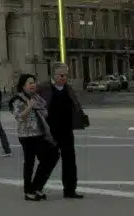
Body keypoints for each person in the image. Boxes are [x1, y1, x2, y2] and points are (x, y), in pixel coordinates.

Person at [11, 73, 58, 201]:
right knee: (30, 163)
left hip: (40, 133)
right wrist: (29, 106)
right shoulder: (18, 99)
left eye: (33, 82)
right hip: (27, 136)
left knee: (53, 155)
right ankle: (28, 191)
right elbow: (19, 117)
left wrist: (43, 111)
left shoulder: (36, 97)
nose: (32, 85)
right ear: (23, 86)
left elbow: (44, 111)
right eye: (29, 83)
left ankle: (37, 186)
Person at [44, 64, 86, 198]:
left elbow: (76, 104)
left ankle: (70, 190)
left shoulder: (69, 89)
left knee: (69, 160)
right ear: (54, 75)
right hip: (50, 131)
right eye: (61, 75)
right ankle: (36, 187)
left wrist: (80, 116)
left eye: (66, 75)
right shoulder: (44, 88)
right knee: (48, 160)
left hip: (66, 130)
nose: (64, 78)